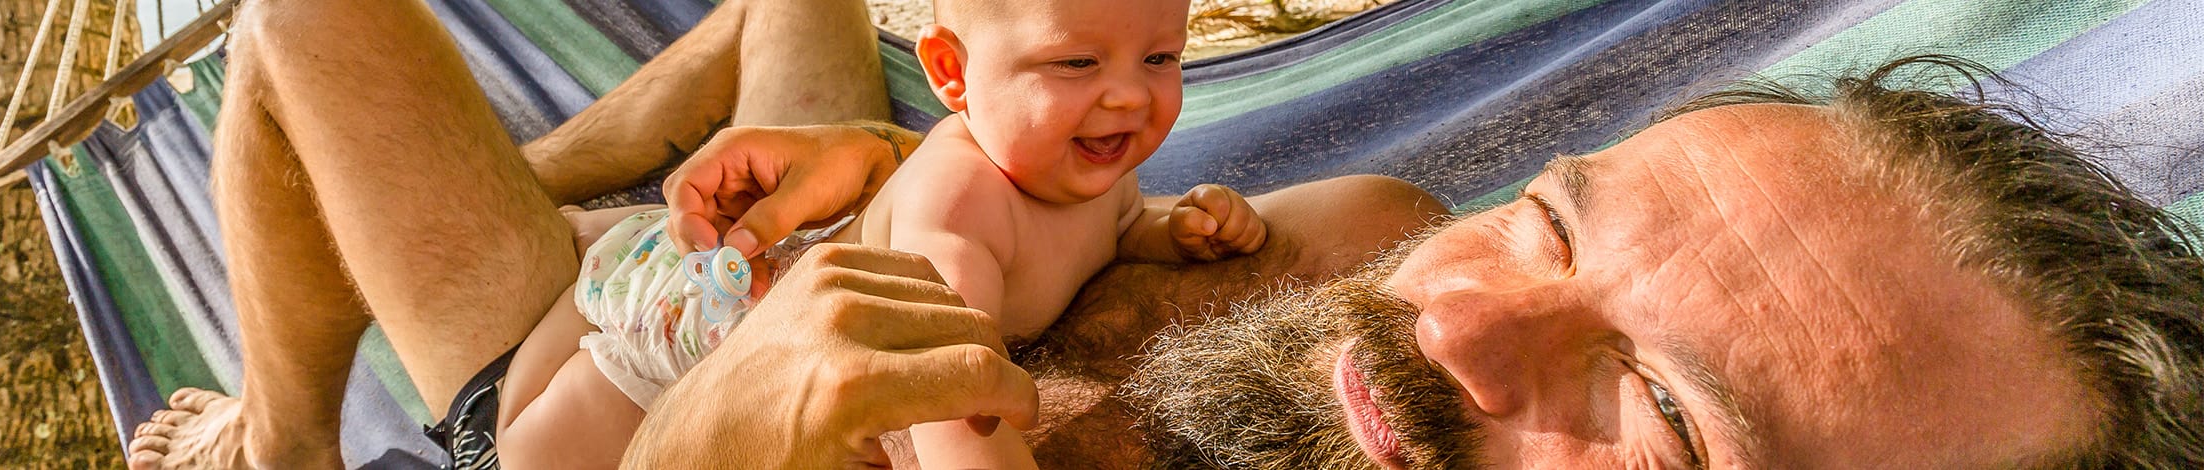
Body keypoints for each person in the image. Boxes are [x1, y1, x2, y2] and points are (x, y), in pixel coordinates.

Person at [626, 56, 2204, 468]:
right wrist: (918, 177)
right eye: (1546, 219)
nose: (1455, 320)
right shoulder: (1363, 255)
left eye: (1660, 421)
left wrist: (686, 450)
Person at [122, 0, 1432, 468]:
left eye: (1162, 56)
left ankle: (559, 214)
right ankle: (291, 432)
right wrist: (896, 173)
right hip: (737, 279)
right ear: (954, 75)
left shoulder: (1377, 276)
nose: (1137, 95)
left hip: (613, 411)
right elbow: (944, 373)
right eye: (1079, 60)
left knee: (294, 25)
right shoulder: (970, 212)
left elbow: (930, 366)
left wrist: (1162, 226)